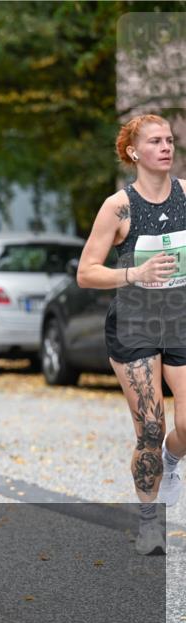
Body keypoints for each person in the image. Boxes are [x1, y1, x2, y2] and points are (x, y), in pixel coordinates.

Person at [77, 114, 186, 556]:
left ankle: (172, 461)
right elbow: (86, 272)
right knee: (151, 429)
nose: (166, 147)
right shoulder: (118, 207)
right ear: (133, 152)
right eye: (155, 141)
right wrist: (134, 274)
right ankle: (149, 523)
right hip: (135, 323)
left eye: (169, 140)